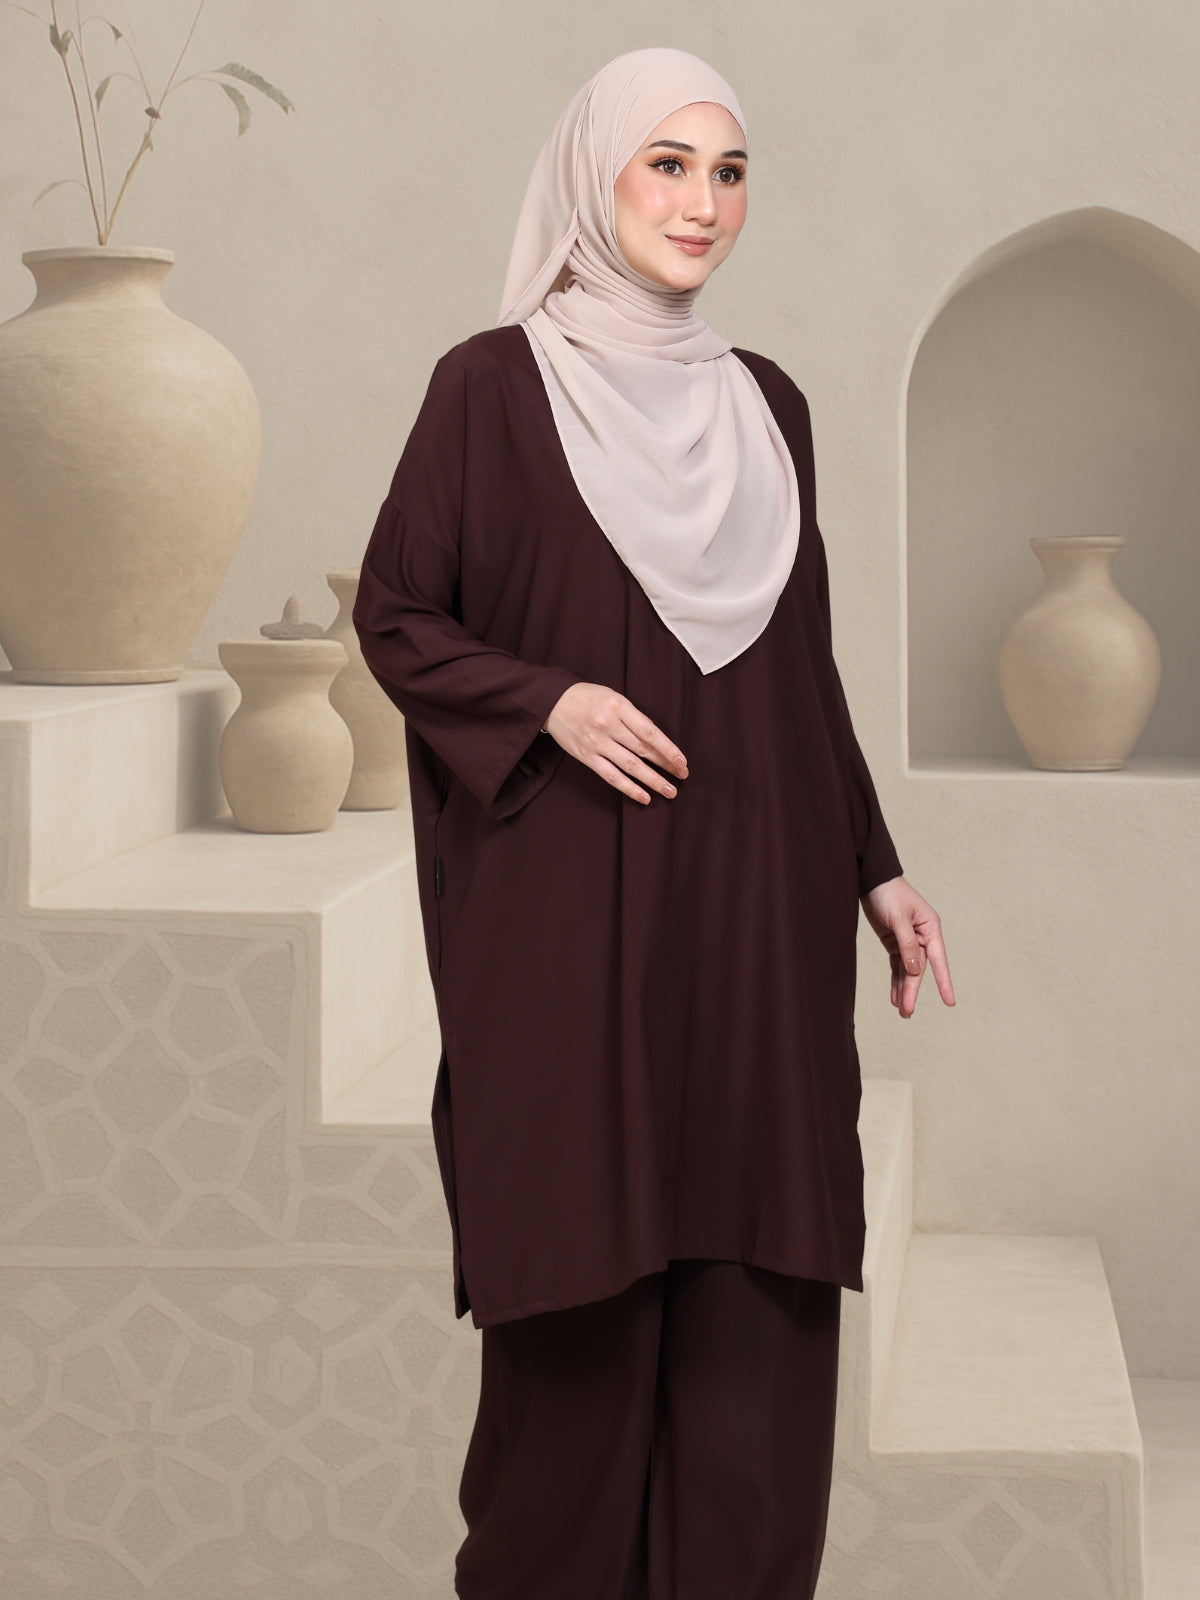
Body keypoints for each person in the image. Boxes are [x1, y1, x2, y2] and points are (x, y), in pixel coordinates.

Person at [353, 45, 955, 1600]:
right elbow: (399, 614)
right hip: (573, 928)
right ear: (595, 176)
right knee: (575, 1366)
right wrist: (544, 700)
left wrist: (877, 869)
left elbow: (802, 670)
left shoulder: (770, 409)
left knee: (756, 1361)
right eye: (668, 164)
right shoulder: (492, 388)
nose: (703, 202)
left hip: (757, 925)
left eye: (729, 171)